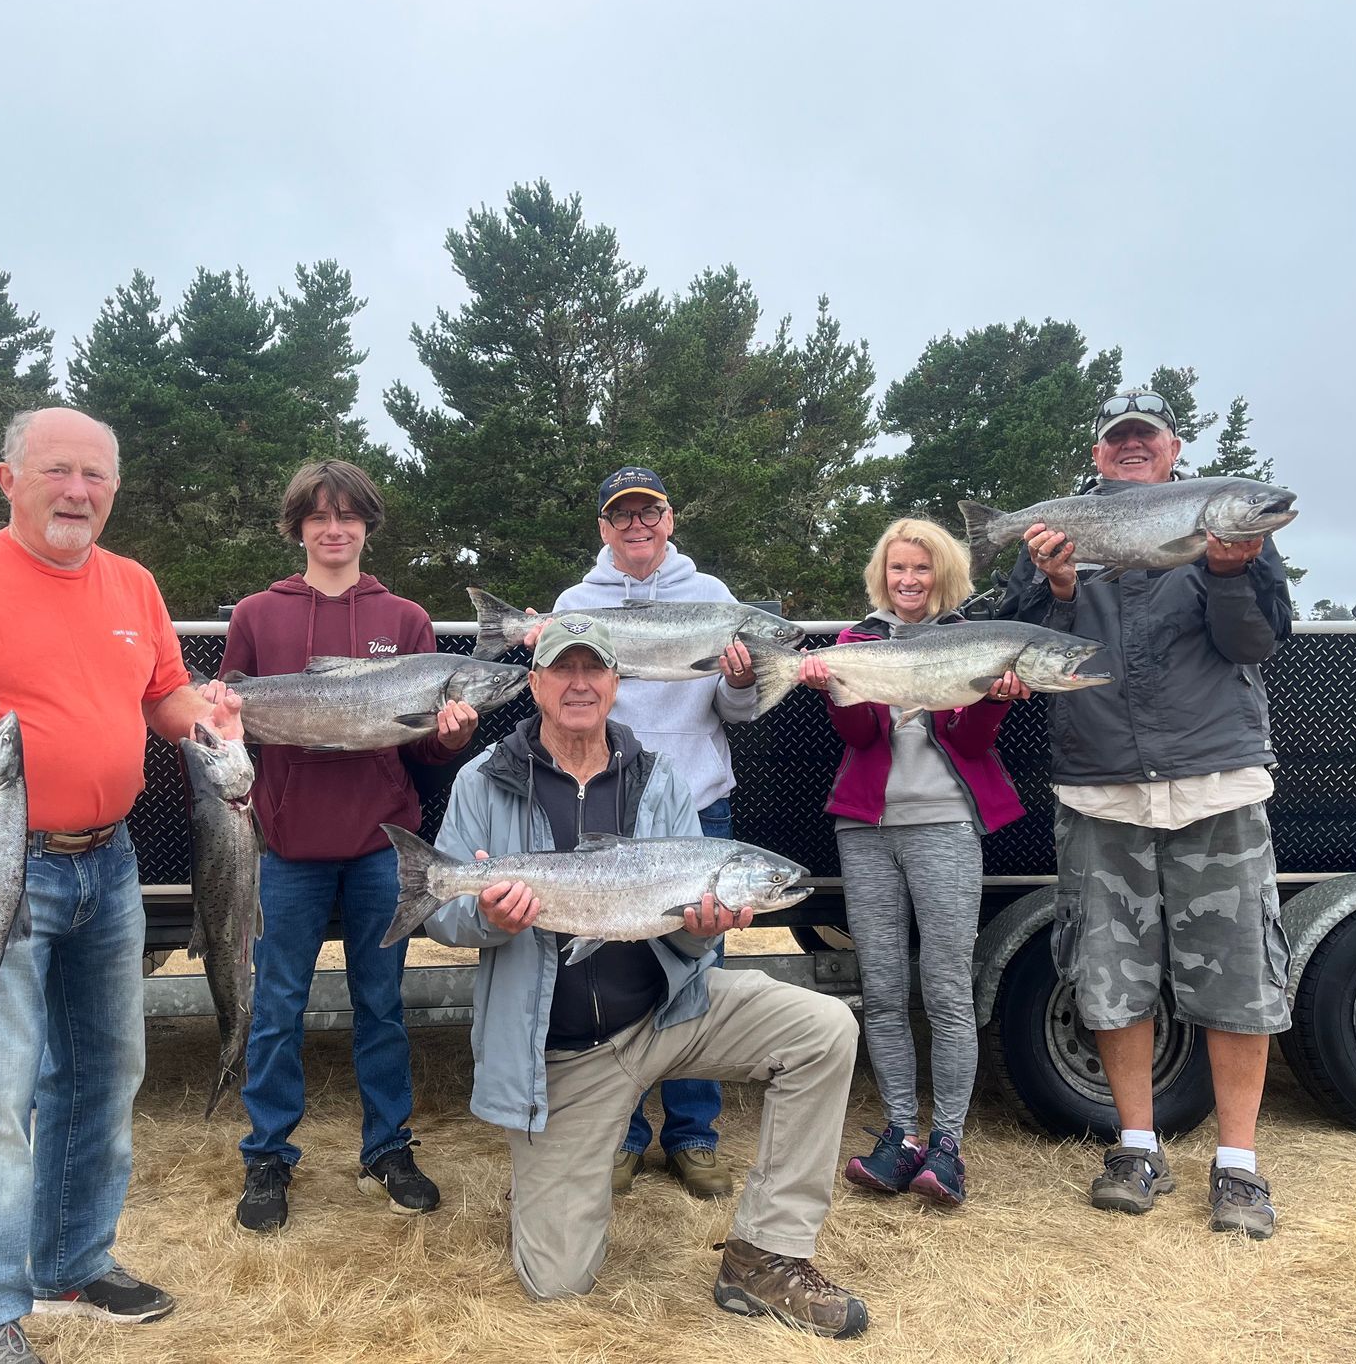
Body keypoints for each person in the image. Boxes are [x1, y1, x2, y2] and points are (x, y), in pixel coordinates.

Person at [0, 407, 244, 1364]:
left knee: (106, 1077)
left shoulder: (133, 585)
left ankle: (72, 1262)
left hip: (111, 865)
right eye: (57, 471)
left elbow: (160, 698)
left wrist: (208, 715)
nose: (78, 492)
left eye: (96, 476)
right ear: (7, 479)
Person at [425, 615, 868, 1337]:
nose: (578, 684)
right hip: (564, 1057)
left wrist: (700, 938)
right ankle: (554, 1176)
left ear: (615, 683)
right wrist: (490, 919)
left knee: (823, 1029)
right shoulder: (484, 780)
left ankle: (765, 1255)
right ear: (534, 683)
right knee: (557, 1283)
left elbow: (683, 936)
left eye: (593, 670)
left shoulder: (658, 776)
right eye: (561, 670)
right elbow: (442, 919)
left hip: (668, 1015)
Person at [999, 388, 1293, 1240]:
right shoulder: (1057, 530)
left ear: (1172, 452)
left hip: (1216, 782)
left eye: (1147, 437)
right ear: (1099, 456)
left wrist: (1231, 571)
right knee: (1108, 974)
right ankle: (1136, 1147)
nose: (1131, 448)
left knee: (1238, 976)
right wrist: (1055, 588)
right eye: (1117, 439)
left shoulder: (1230, 527)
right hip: (1100, 787)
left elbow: (1257, 643)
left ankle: (1237, 1167)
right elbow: (1015, 650)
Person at [226, 459, 478, 1232]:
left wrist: (452, 738)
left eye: (348, 517)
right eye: (319, 517)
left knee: (381, 1006)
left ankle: (388, 1148)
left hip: (380, 847)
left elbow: (422, 754)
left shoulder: (406, 619)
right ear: (298, 527)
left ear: (367, 526)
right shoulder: (256, 614)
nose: (334, 530)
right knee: (276, 1007)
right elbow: (223, 730)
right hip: (287, 846)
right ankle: (267, 1156)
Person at [799, 518, 1028, 1207]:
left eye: (921, 570)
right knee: (885, 985)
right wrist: (835, 686)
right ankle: (900, 1132)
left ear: (944, 576)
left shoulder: (973, 639)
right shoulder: (855, 642)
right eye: (897, 569)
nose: (907, 580)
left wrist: (991, 698)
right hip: (866, 828)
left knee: (948, 987)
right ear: (882, 575)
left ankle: (947, 1144)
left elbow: (973, 740)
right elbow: (861, 736)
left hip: (947, 826)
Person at [548, 465, 757, 1200]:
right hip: (616, 807)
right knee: (617, 973)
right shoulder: (577, 604)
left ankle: (694, 1134)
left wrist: (737, 681)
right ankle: (623, 1134)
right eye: (621, 515)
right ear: (604, 529)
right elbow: (567, 703)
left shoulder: (715, 601)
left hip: (700, 807)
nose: (636, 525)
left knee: (699, 970)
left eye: (649, 512)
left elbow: (739, 714)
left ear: (670, 519)